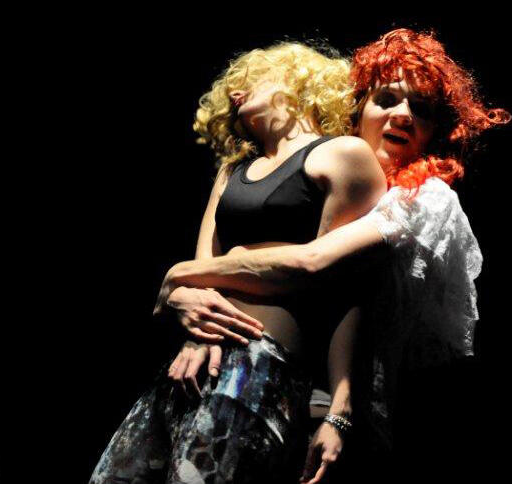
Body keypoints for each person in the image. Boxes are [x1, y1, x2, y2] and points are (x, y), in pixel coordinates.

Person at [156, 28, 510, 480]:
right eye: (387, 100)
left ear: (433, 133)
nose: (403, 115)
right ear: (358, 110)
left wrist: (180, 275)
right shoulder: (330, 180)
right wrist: (194, 313)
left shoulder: (423, 199)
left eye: (420, 110)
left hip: (356, 408)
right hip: (283, 380)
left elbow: (317, 269)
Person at [90, 42, 386, 484]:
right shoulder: (233, 172)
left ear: (296, 82)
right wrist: (193, 330)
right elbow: (202, 270)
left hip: (262, 365)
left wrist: (340, 410)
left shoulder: (341, 154)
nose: (235, 92)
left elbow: (346, 289)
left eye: (253, 79)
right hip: (193, 361)